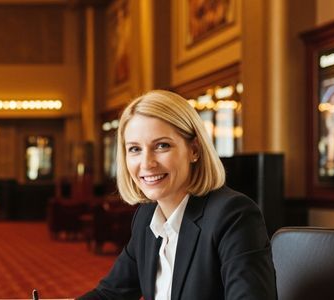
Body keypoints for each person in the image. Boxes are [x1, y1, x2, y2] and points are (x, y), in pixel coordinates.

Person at [78, 90, 276, 300]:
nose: (147, 163)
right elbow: (109, 295)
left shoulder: (233, 215)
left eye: (162, 146)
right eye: (135, 149)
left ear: (194, 150)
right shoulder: (146, 217)